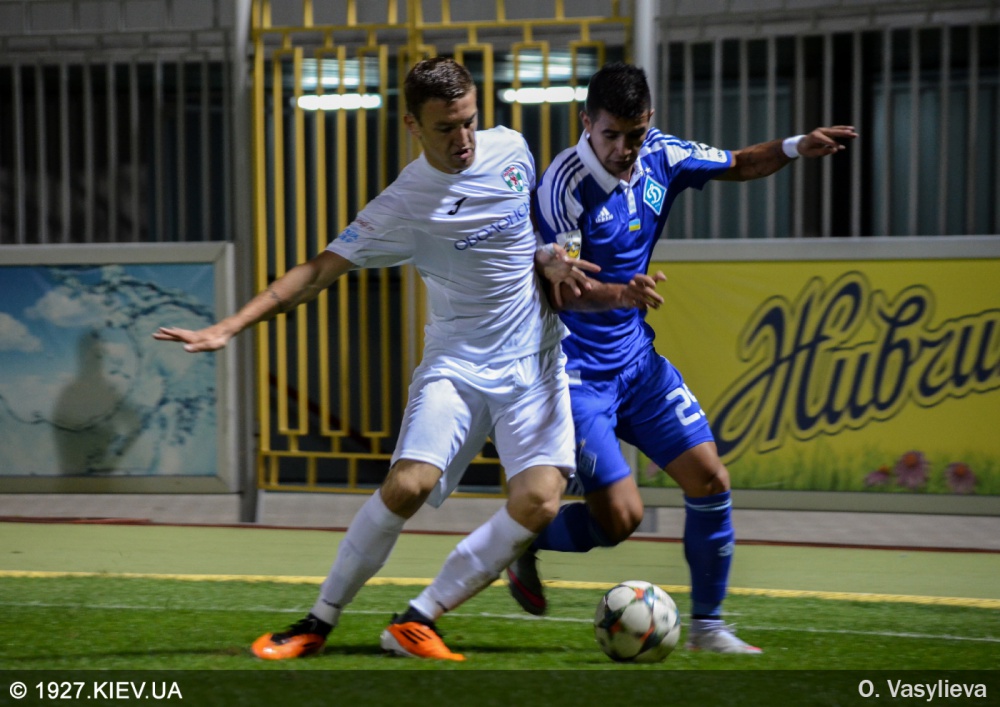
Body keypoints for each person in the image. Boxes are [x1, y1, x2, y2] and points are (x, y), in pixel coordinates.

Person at [154, 57, 597, 662]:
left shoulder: (512, 148)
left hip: (536, 362)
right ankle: (317, 620)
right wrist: (228, 327)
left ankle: (417, 621)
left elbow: (534, 235)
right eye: (445, 128)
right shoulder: (403, 204)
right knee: (409, 485)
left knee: (541, 500)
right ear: (413, 126)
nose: (463, 139)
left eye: (469, 121)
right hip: (458, 365)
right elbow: (315, 273)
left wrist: (551, 256)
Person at [507, 61, 858, 654]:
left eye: (635, 134)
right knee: (620, 520)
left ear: (649, 122)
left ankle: (708, 628)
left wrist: (796, 146)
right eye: (610, 135)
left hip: (637, 364)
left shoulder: (662, 155)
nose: (623, 149)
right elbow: (562, 289)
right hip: (575, 374)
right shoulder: (562, 184)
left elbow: (738, 162)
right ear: (586, 122)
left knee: (711, 478)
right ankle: (523, 540)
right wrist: (622, 294)